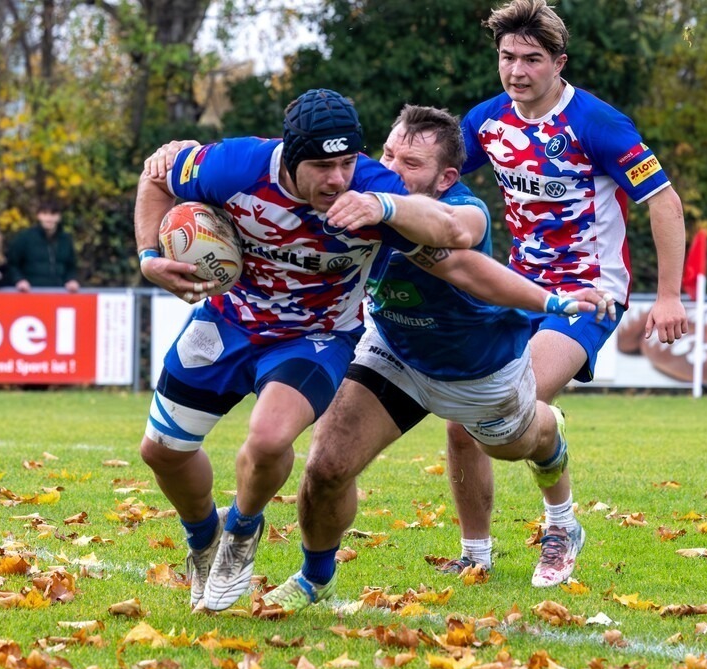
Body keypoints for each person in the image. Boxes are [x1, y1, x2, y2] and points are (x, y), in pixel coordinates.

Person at [134, 88, 528, 613]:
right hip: (229, 319)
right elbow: (156, 179)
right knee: (161, 451)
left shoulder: (372, 189)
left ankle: (243, 530)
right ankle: (204, 538)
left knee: (270, 436)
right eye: (322, 166)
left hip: (315, 336)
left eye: (347, 163)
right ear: (290, 159)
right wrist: (148, 257)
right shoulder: (234, 165)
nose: (338, 179)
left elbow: (456, 250)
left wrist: (548, 300)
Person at [262, 104, 615, 612]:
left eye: (411, 163)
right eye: (388, 154)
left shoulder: (464, 207)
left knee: (517, 446)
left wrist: (552, 302)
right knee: (327, 465)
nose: (391, 168)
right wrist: (185, 162)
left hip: (481, 374)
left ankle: (549, 436)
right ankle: (316, 577)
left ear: (446, 178)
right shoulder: (355, 183)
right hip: (394, 352)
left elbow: (458, 234)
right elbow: (280, 169)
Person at [442, 0, 690, 581]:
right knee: (460, 421)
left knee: (507, 403)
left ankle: (562, 524)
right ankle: (475, 556)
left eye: (532, 59)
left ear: (559, 63)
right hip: (517, 290)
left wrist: (669, 295)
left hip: (589, 292)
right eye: (507, 57)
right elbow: (432, 171)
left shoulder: (597, 123)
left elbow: (665, 202)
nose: (517, 70)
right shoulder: (486, 121)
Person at [7, 199, 80, 292]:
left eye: (53, 214)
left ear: (59, 217)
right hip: (31, 292)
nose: (49, 218)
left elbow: (71, 266)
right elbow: (12, 264)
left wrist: (71, 279)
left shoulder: (66, 239)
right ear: (39, 216)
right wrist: (19, 280)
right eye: (45, 214)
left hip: (60, 292)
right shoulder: (25, 237)